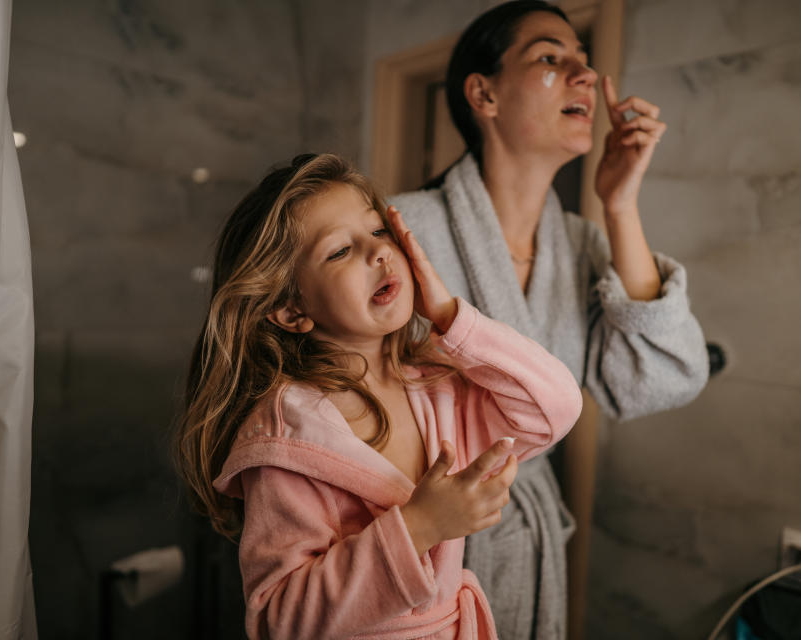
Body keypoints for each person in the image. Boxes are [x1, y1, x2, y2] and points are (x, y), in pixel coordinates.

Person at [388, 1, 710, 638]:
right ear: (484, 93)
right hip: (412, 545)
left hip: (526, 545)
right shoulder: (400, 230)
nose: (585, 74)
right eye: (550, 58)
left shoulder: (584, 246)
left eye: (584, 62)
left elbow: (658, 378)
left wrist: (620, 206)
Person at [173, 152, 583, 639]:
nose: (378, 252)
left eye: (379, 231)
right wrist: (418, 527)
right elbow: (278, 620)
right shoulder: (290, 439)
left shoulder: (437, 386)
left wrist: (454, 317)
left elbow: (554, 407)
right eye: (340, 251)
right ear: (290, 308)